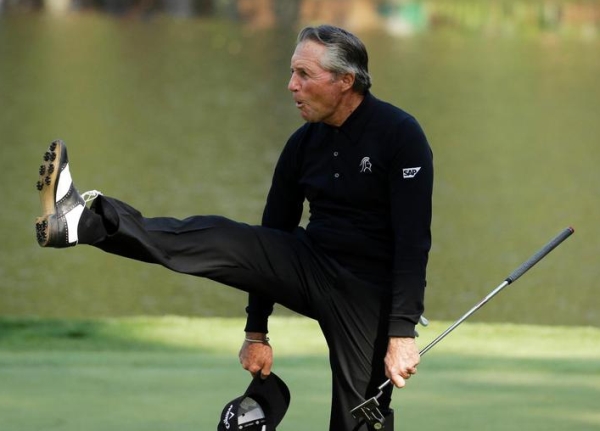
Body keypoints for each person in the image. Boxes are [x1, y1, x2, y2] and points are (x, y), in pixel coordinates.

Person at [34, 25, 433, 431]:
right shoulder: (302, 143)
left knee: (358, 421)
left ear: (345, 80)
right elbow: (270, 236)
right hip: (310, 263)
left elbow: (413, 242)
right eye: (292, 72)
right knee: (221, 237)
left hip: (368, 295)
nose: (291, 85)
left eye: (304, 74)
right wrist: (256, 330)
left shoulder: (400, 135)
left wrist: (401, 332)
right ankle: (82, 223)